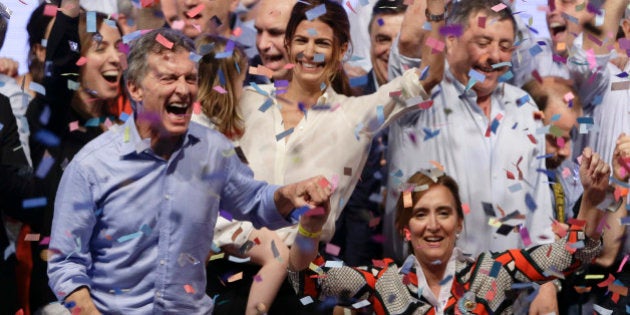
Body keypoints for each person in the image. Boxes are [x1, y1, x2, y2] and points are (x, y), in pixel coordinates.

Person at [47, 27, 331, 314]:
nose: (183, 89)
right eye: (169, 78)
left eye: (190, 78)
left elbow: (256, 202)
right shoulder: (91, 166)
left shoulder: (213, 150)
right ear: (134, 87)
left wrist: (290, 194)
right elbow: (65, 264)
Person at [289, 145, 618, 314]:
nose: (432, 225)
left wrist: (591, 199)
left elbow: (572, 254)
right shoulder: (382, 282)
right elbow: (309, 281)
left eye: (443, 212)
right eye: (420, 214)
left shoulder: (493, 272)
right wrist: (309, 228)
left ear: (459, 223)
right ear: (405, 229)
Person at [25, 2, 130, 313]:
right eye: (99, 47)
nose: (115, 57)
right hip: (63, 299)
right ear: (78, 59)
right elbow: (58, 69)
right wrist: (70, 9)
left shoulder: (125, 132)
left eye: (118, 47)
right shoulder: (51, 120)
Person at [192, 34, 293, 315]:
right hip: (218, 223)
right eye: (243, 80)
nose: (245, 87)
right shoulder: (205, 133)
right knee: (278, 254)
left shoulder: (198, 122)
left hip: (211, 222)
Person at [329, 0, 406, 267]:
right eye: (383, 40)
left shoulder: (431, 102)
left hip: (414, 252)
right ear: (370, 42)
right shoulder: (347, 95)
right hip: (351, 254)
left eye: (400, 42)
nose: (391, 51)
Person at [251, 0, 296, 82]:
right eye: (259, 31)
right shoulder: (243, 78)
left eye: (275, 33)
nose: (262, 45)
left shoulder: (326, 91)